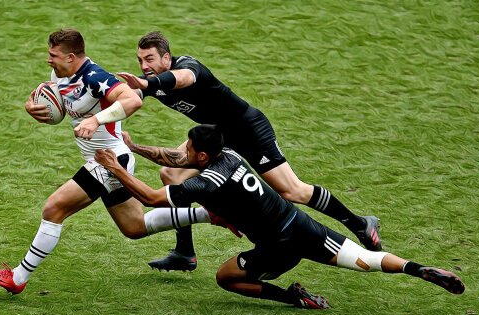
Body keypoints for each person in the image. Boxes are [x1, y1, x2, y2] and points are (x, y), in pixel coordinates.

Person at [94, 125, 465, 309]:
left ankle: (293, 298)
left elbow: (152, 198)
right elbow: (175, 161)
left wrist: (115, 165)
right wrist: (135, 148)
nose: (183, 150)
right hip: (300, 226)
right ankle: (420, 270)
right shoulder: (231, 156)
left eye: (189, 146)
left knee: (226, 277)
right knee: (366, 260)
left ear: (203, 156)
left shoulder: (206, 184)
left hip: (275, 248)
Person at [115, 31, 381, 271]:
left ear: (166, 57)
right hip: (217, 135)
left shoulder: (187, 68)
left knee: (292, 191)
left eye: (149, 59)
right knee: (171, 174)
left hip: (248, 130)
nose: (144, 66)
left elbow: (183, 79)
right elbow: (129, 96)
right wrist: (106, 113)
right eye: (140, 60)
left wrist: (147, 85)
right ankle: (185, 252)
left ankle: (359, 223)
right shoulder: (150, 82)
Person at [0, 29, 218, 295]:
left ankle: (18, 277)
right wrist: (30, 106)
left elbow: (131, 101)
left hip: (110, 161)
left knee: (54, 208)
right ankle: (212, 214)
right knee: (134, 227)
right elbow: (54, 102)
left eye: (53, 55)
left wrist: (96, 120)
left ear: (71, 57)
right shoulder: (59, 75)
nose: (49, 60)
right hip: (105, 161)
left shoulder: (96, 78)